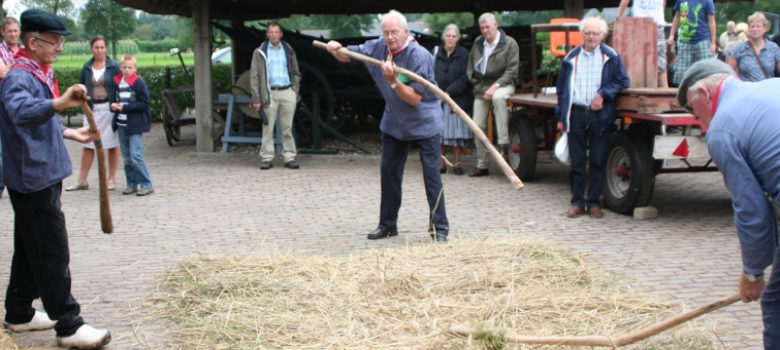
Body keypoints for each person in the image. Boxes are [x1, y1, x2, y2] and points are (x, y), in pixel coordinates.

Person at [0, 9, 111, 349]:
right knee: (51, 250)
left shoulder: (37, 72)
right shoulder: (21, 75)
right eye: (56, 41)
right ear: (33, 43)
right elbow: (19, 113)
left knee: (29, 247)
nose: (61, 46)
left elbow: (37, 119)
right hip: (32, 177)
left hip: (39, 174)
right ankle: (68, 324)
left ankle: (19, 312)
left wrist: (68, 133)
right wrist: (60, 103)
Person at [676, 59, 780, 350]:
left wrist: (753, 273)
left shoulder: (723, 128)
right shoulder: (773, 86)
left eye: (693, 111)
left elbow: (751, 209)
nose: (699, 121)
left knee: (775, 302)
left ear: (705, 95)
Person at [325, 10, 450, 243]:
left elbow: (414, 98)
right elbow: (349, 55)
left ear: (406, 32)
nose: (390, 37)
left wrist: (392, 81)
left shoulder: (419, 56)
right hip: (394, 122)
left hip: (424, 122)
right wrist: (336, 49)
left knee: (431, 175)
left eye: (394, 32)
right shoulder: (379, 47)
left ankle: (439, 229)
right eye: (386, 33)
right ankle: (388, 225)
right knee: (389, 172)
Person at [555, 17, 630, 219]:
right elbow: (561, 89)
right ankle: (578, 201)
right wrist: (561, 116)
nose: (591, 36)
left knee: (598, 160)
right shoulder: (571, 58)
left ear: (603, 35)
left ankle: (594, 202)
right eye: (587, 32)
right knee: (577, 161)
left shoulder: (611, 56)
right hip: (576, 114)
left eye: (595, 33)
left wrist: (603, 94)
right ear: (582, 33)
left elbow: (622, 80)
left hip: (600, 115)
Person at [466, 12, 520, 177]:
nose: (485, 30)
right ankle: (482, 164)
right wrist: (474, 82)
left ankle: (503, 145)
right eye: (482, 28)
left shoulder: (510, 43)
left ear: (495, 25)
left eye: (487, 27)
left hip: (504, 83)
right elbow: (470, 66)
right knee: (476, 125)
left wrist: (495, 86)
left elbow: (512, 71)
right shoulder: (478, 42)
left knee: (498, 97)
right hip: (482, 86)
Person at [65, 35, 121, 192]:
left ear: (106, 48)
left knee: (111, 144)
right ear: (92, 49)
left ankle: (111, 178)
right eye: (96, 47)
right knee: (88, 144)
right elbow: (82, 86)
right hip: (92, 109)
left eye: (102, 47)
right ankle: (82, 180)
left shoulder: (114, 66)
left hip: (109, 108)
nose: (99, 50)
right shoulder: (87, 67)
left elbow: (120, 86)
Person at [249, 22, 301, 170]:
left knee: (287, 128)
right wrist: (256, 98)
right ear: (266, 34)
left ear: (281, 34)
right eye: (270, 32)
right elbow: (254, 76)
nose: (273, 34)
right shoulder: (259, 52)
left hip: (287, 92)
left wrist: (294, 90)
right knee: (268, 128)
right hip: (269, 93)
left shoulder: (289, 50)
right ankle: (267, 158)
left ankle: (289, 157)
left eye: (276, 32)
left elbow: (296, 72)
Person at [110, 54, 153, 196]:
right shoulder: (118, 83)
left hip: (135, 124)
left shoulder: (139, 83)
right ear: (120, 68)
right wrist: (114, 106)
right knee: (126, 156)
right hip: (121, 123)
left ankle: (146, 184)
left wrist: (124, 108)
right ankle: (132, 183)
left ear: (135, 68)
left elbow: (144, 103)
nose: (127, 70)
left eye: (130, 67)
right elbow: (116, 100)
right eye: (124, 67)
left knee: (135, 154)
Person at [433, 24, 472, 175]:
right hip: (438, 98)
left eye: (454, 36)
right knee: (440, 133)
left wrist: (448, 92)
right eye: (448, 36)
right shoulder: (436, 52)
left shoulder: (464, 54)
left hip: (457, 98)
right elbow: (429, 73)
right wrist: (437, 92)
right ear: (444, 37)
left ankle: (457, 164)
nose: (450, 39)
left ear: (458, 39)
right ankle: (441, 164)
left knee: (456, 134)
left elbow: (465, 77)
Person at [618, 0, 669, 87]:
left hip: (657, 24)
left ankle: (665, 89)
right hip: (640, 23)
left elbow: (664, 2)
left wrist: (661, 16)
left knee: (660, 59)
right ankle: (637, 86)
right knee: (640, 58)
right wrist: (619, 17)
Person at [666, 0, 717, 86]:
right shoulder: (681, 1)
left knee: (706, 71)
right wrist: (671, 34)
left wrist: (713, 43)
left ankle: (706, 90)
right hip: (684, 41)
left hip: (702, 40)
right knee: (682, 73)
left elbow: (712, 22)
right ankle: (683, 93)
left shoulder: (707, 1)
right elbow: (677, 17)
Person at [0, 16, 23, 199]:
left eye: (16, 31)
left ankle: (20, 184)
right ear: (3, 32)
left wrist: (9, 69)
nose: (13, 34)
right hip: (2, 104)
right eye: (10, 31)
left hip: (20, 104)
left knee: (20, 146)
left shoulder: (25, 51)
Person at [727, 12, 780, 82]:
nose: (755, 29)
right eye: (752, 26)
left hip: (766, 90)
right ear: (749, 29)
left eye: (758, 26)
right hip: (746, 90)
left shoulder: (773, 48)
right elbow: (728, 73)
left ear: (764, 28)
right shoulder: (739, 48)